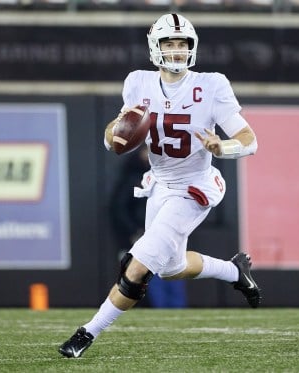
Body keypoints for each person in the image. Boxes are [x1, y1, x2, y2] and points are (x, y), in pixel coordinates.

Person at [59, 13, 261, 358]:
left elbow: (249, 140)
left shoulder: (211, 85)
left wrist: (221, 147)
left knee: (137, 266)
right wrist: (116, 133)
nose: (178, 51)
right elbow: (115, 136)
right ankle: (233, 271)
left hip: (195, 186)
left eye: (183, 44)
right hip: (161, 185)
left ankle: (86, 334)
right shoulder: (138, 82)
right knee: (170, 267)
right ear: (156, 47)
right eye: (170, 43)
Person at [110, 145, 187, 309]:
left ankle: (178, 310)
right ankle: (161, 310)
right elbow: (119, 209)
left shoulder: (170, 178)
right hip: (144, 236)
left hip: (169, 235)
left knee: (175, 271)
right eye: (147, 152)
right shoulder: (132, 180)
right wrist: (134, 231)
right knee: (152, 275)